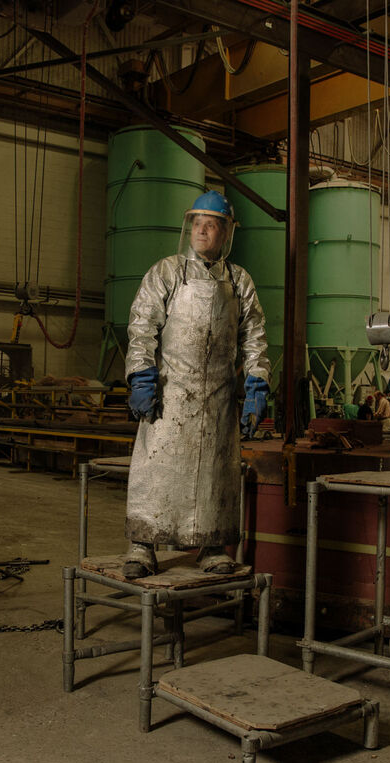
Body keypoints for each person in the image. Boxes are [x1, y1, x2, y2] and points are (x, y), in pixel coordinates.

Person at [123, 190, 271, 578]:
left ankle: (211, 545)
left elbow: (254, 337)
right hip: (170, 393)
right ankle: (142, 544)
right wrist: (141, 375)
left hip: (219, 396)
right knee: (156, 467)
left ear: (226, 233)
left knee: (215, 473)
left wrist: (256, 386)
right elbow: (142, 327)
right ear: (189, 227)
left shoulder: (239, 281)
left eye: (211, 225)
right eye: (197, 224)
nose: (202, 231)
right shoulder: (167, 272)